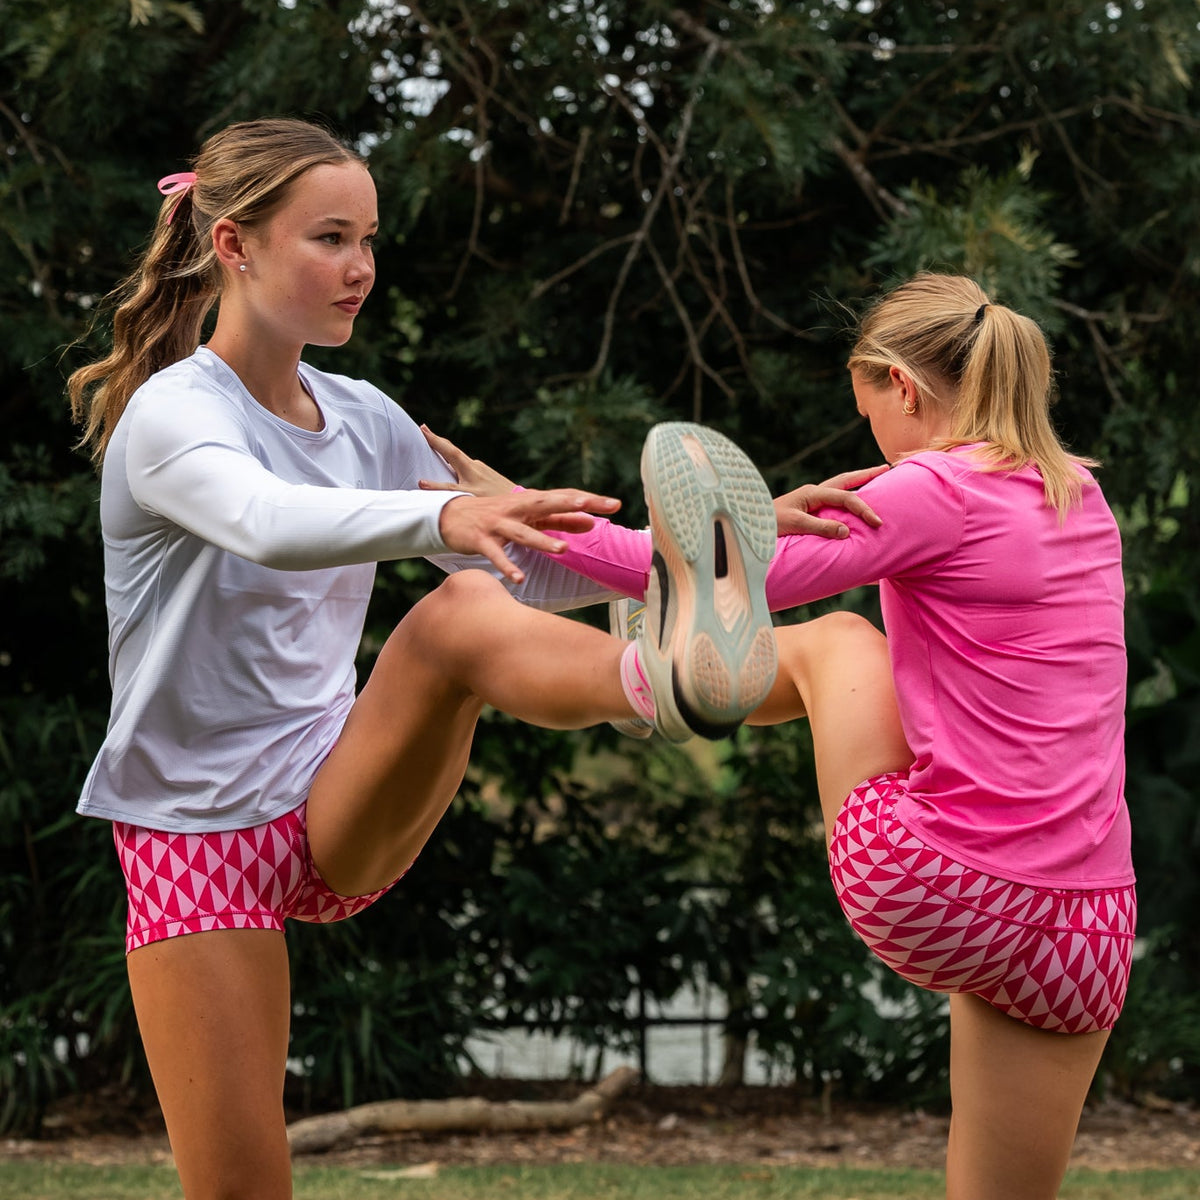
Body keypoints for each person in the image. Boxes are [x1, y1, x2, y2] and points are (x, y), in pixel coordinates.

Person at [65, 115, 843, 1200]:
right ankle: (668, 673)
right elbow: (266, 518)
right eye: (330, 238)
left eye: (370, 240)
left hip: (336, 788)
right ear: (234, 245)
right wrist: (444, 522)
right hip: (194, 832)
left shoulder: (364, 415)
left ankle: (674, 679)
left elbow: (534, 561)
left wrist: (719, 550)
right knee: (240, 1189)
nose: (362, 269)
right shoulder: (174, 417)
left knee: (458, 619)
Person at [431, 272, 1135, 1200]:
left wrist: (522, 511)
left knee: (838, 638)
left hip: (941, 881)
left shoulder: (931, 487)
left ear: (903, 387)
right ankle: (666, 652)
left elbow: (723, 574)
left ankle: (668, 677)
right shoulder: (1078, 495)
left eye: (872, 411)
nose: (874, 441)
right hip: (1089, 926)